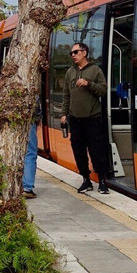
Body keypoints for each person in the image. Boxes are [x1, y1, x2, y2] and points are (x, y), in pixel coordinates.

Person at [60, 41, 111, 193]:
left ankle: (102, 181)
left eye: (75, 52)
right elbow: (66, 95)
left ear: (84, 53)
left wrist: (88, 84)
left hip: (92, 119)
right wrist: (64, 113)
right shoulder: (70, 72)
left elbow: (103, 90)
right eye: (71, 53)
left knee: (96, 150)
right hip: (75, 120)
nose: (73, 56)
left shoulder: (95, 70)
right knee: (78, 151)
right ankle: (86, 180)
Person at [23, 97, 39, 199]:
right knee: (30, 152)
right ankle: (27, 188)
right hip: (28, 121)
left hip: (12, 122)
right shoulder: (30, 88)